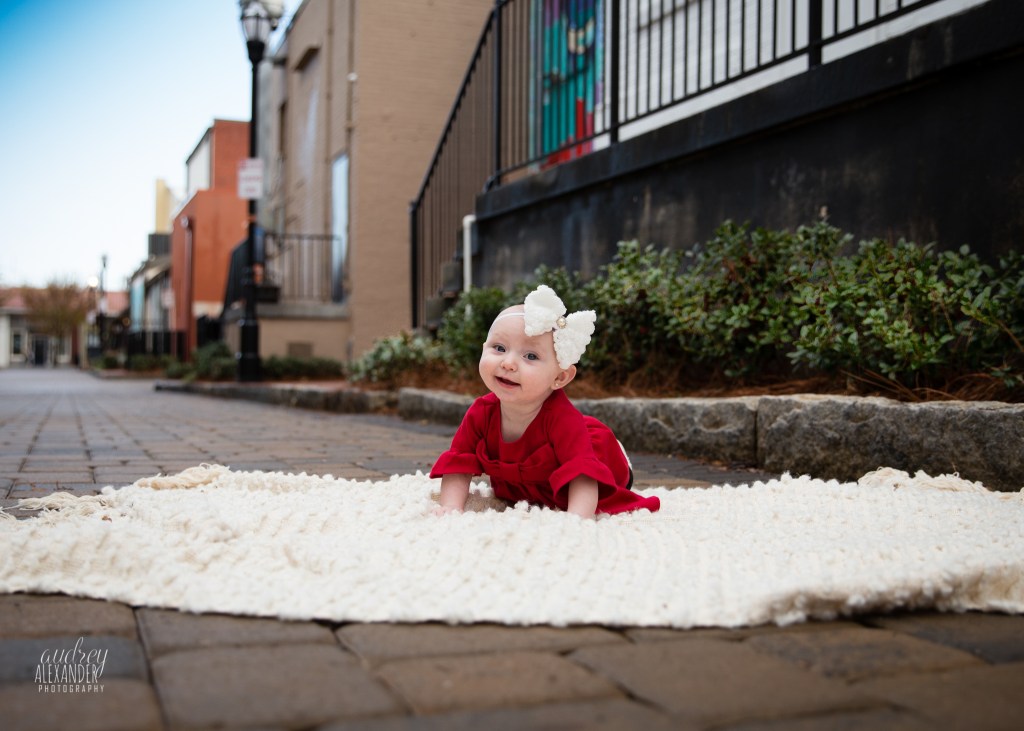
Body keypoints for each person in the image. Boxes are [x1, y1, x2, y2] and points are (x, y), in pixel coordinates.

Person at [430, 284, 661, 518]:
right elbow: (458, 464)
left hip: (597, 458)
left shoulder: (562, 420)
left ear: (560, 377)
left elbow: (583, 476)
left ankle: (620, 454)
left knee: (590, 451)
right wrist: (451, 507)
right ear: (483, 349)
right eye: (499, 348)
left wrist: (576, 520)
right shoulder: (481, 413)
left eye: (530, 356)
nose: (508, 363)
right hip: (527, 481)